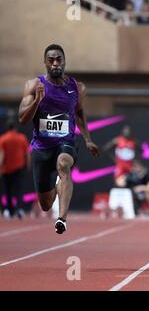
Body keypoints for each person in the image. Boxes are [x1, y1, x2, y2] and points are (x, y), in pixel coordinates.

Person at [18, 44, 100, 234]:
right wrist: (37, 101)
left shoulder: (77, 88)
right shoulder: (33, 85)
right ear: (45, 63)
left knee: (63, 164)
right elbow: (22, 119)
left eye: (59, 59)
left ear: (64, 61)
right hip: (41, 147)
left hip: (66, 142)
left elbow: (79, 113)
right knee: (46, 204)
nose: (55, 63)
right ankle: (57, 187)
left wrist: (87, 139)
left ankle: (62, 219)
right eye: (51, 60)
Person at [0, 120, 31, 219]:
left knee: (8, 191)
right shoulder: (22, 138)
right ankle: (19, 208)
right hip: (19, 168)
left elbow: (1, 155)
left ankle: (10, 210)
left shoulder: (3, 139)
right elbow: (27, 153)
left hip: (6, 169)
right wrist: (28, 165)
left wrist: (0, 166)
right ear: (15, 128)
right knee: (19, 190)